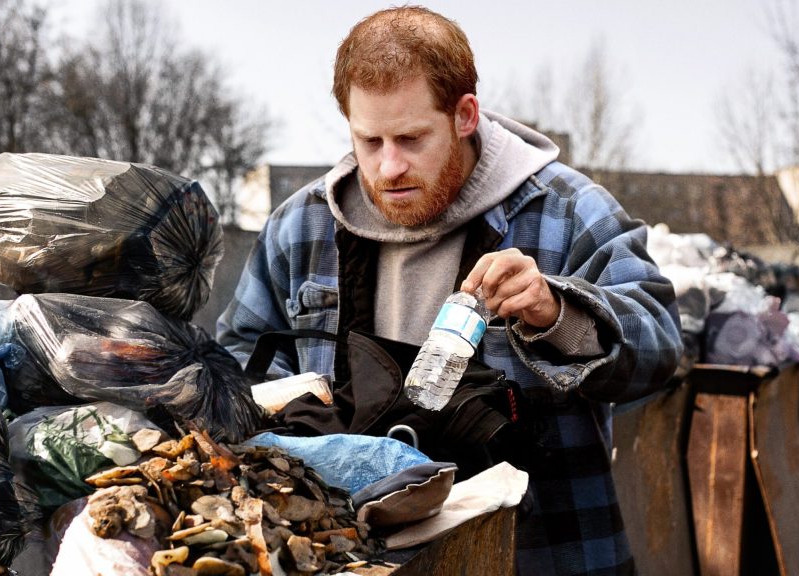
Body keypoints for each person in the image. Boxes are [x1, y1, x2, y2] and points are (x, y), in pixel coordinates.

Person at [218, 6, 682, 575]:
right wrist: (300, 423)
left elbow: (659, 347)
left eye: (412, 138)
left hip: (542, 553)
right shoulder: (301, 228)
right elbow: (241, 363)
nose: (389, 167)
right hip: (348, 559)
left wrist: (556, 313)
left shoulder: (567, 211)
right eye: (370, 140)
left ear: (465, 115)